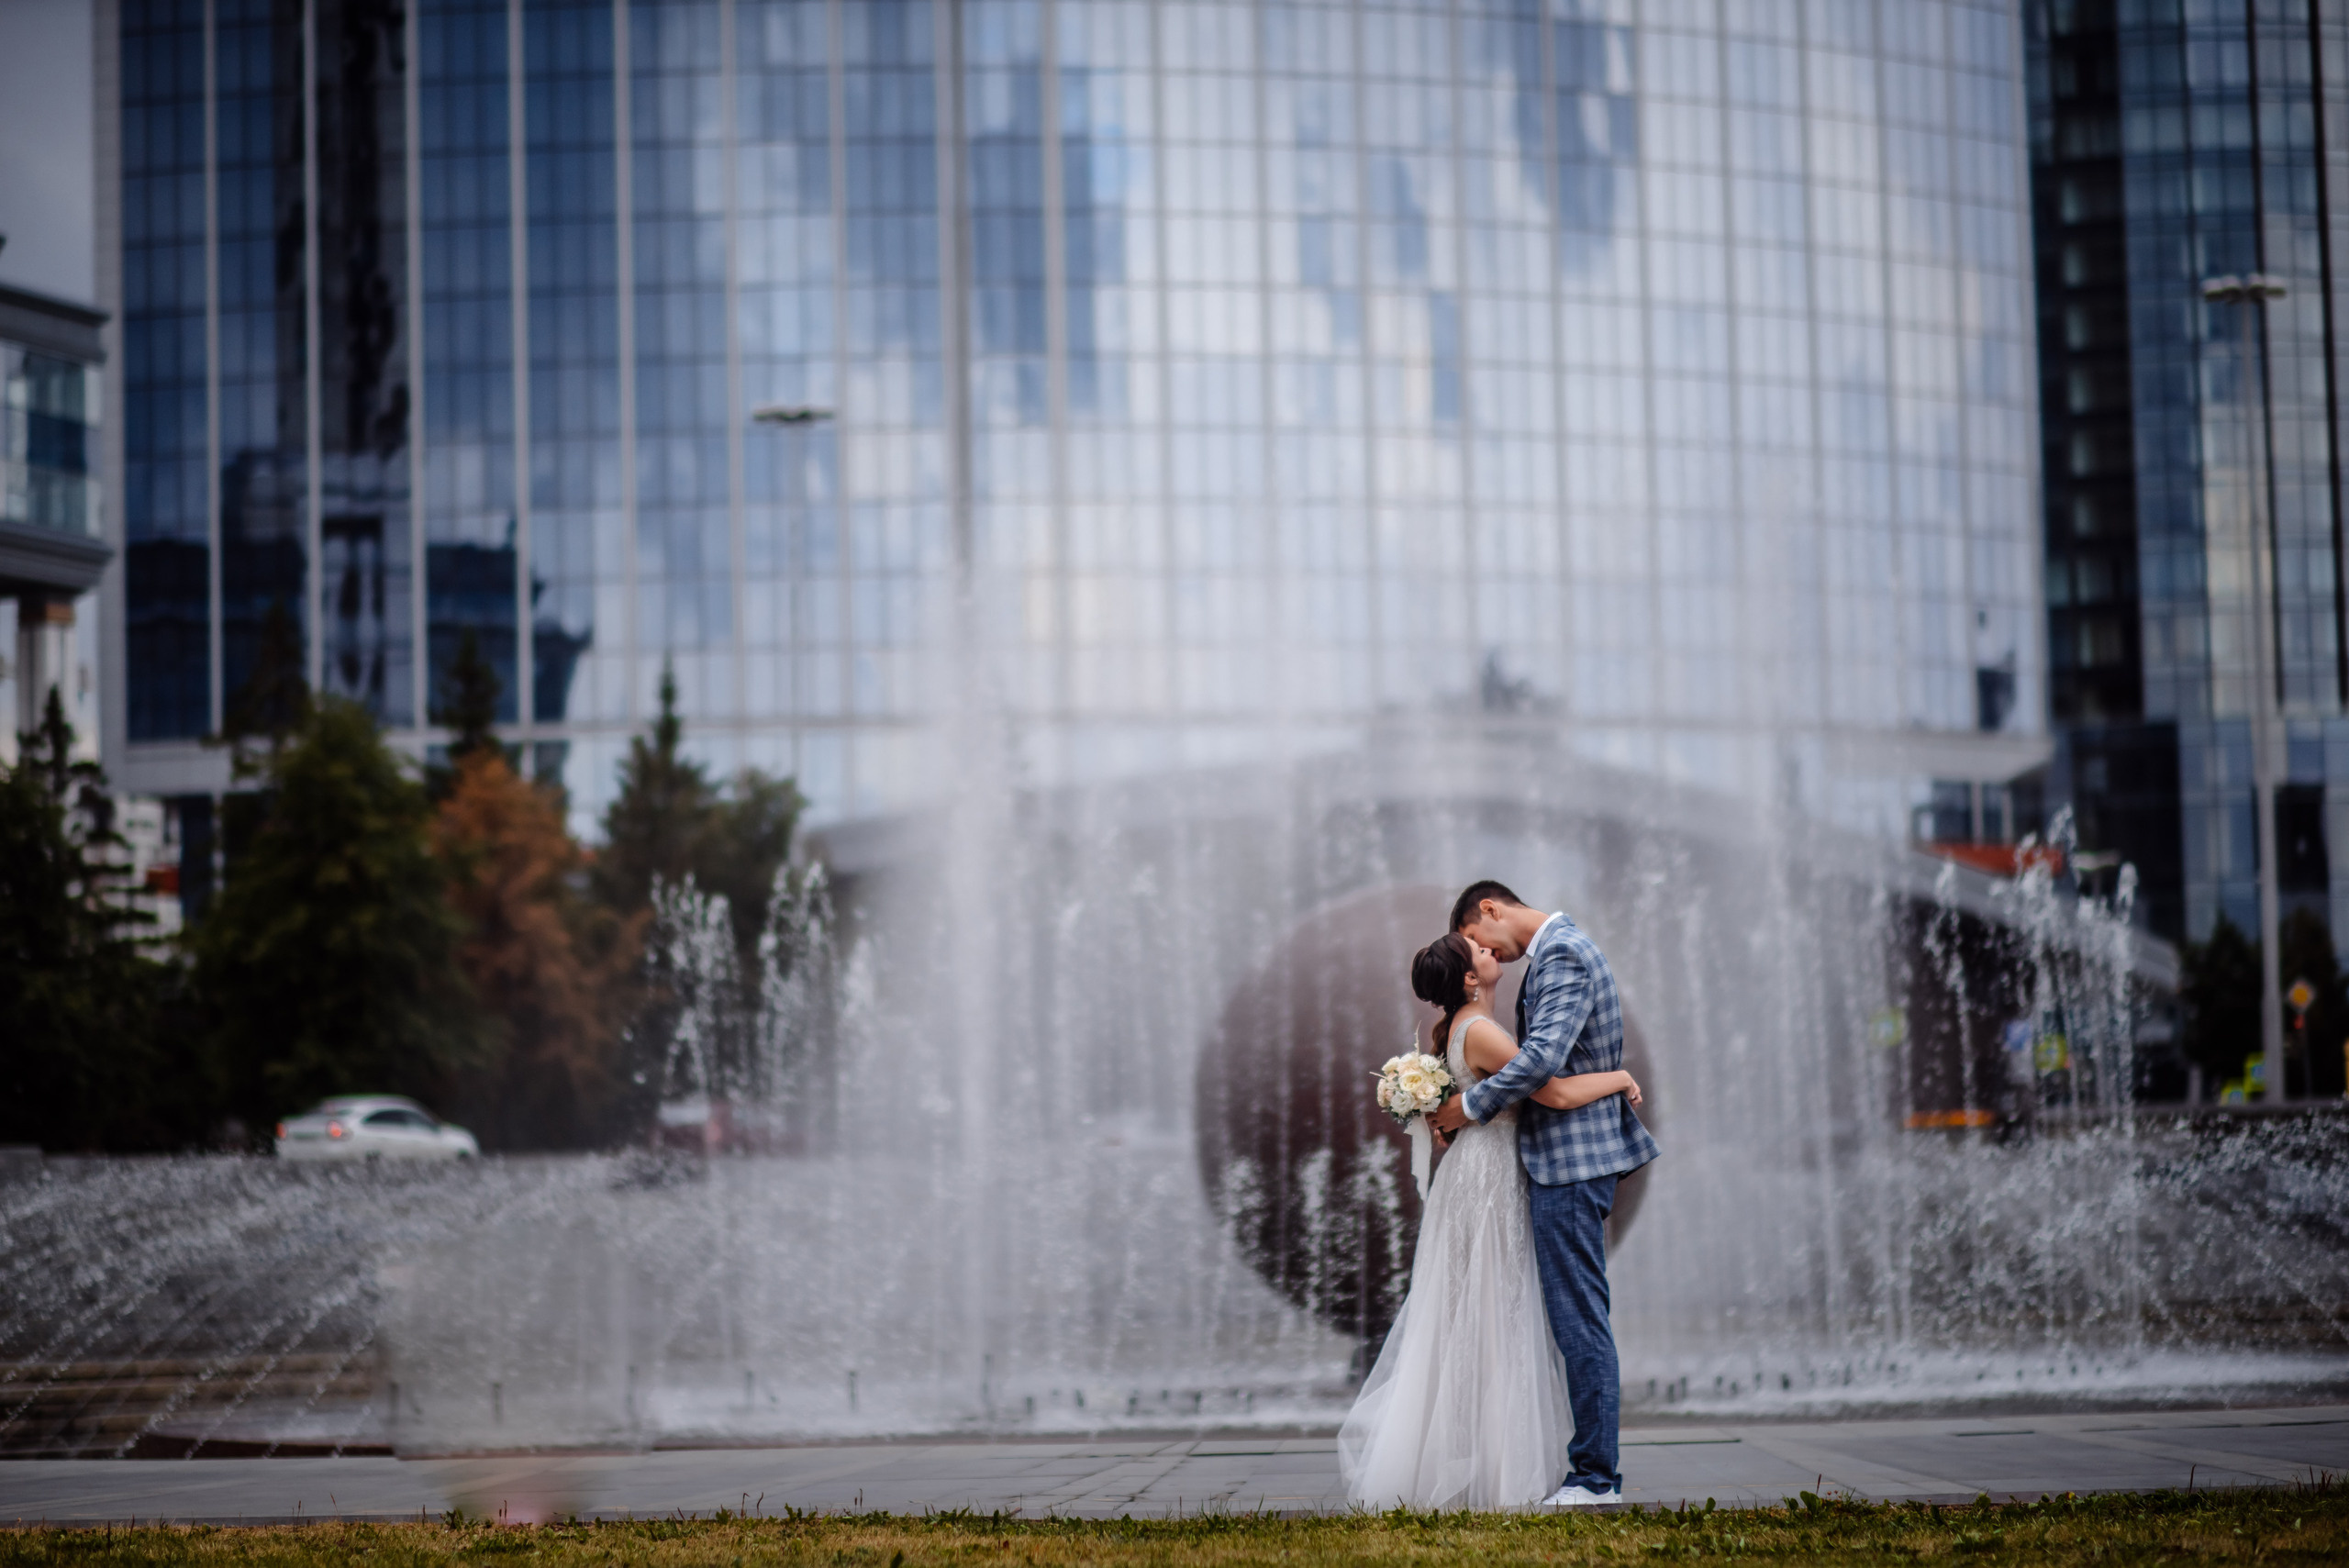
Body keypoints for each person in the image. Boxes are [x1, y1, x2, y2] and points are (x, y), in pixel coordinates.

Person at [1338, 929, 1645, 1509]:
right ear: (1469, 979)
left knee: (1476, 1312)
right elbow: (1553, 1094)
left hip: (1473, 1174)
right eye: (1477, 951)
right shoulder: (1480, 1030)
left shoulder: (1460, 1029)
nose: (1489, 949)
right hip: (1491, 1177)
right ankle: (1503, 1470)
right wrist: (1619, 1078)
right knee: (1498, 1310)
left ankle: (1473, 1460)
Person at [1428, 879, 1659, 1507]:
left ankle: (1596, 1479)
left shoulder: (1563, 954)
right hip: (1558, 1162)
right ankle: (1581, 1469)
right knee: (1568, 1316)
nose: (1485, 954)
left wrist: (1466, 1107)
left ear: (1490, 909)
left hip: (1572, 1163)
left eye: (1474, 937)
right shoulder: (1553, 956)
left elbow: (1541, 1061)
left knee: (1578, 1318)